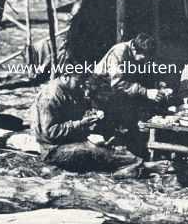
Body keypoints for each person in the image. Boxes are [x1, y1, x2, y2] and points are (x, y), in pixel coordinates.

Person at [30, 69, 168, 176]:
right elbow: (50, 133)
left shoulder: (70, 89)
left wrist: (92, 119)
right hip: (54, 149)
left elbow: (78, 114)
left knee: (112, 142)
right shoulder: (51, 96)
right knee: (96, 151)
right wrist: (81, 123)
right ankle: (141, 166)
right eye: (79, 82)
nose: (82, 86)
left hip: (70, 140)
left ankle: (130, 166)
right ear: (66, 76)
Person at [93, 33, 168, 156]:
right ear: (134, 48)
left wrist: (158, 84)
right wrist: (146, 92)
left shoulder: (139, 53)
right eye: (144, 57)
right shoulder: (119, 52)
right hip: (101, 89)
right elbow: (117, 83)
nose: (145, 60)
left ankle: (134, 147)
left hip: (121, 90)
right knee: (114, 123)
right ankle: (114, 152)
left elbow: (142, 73)